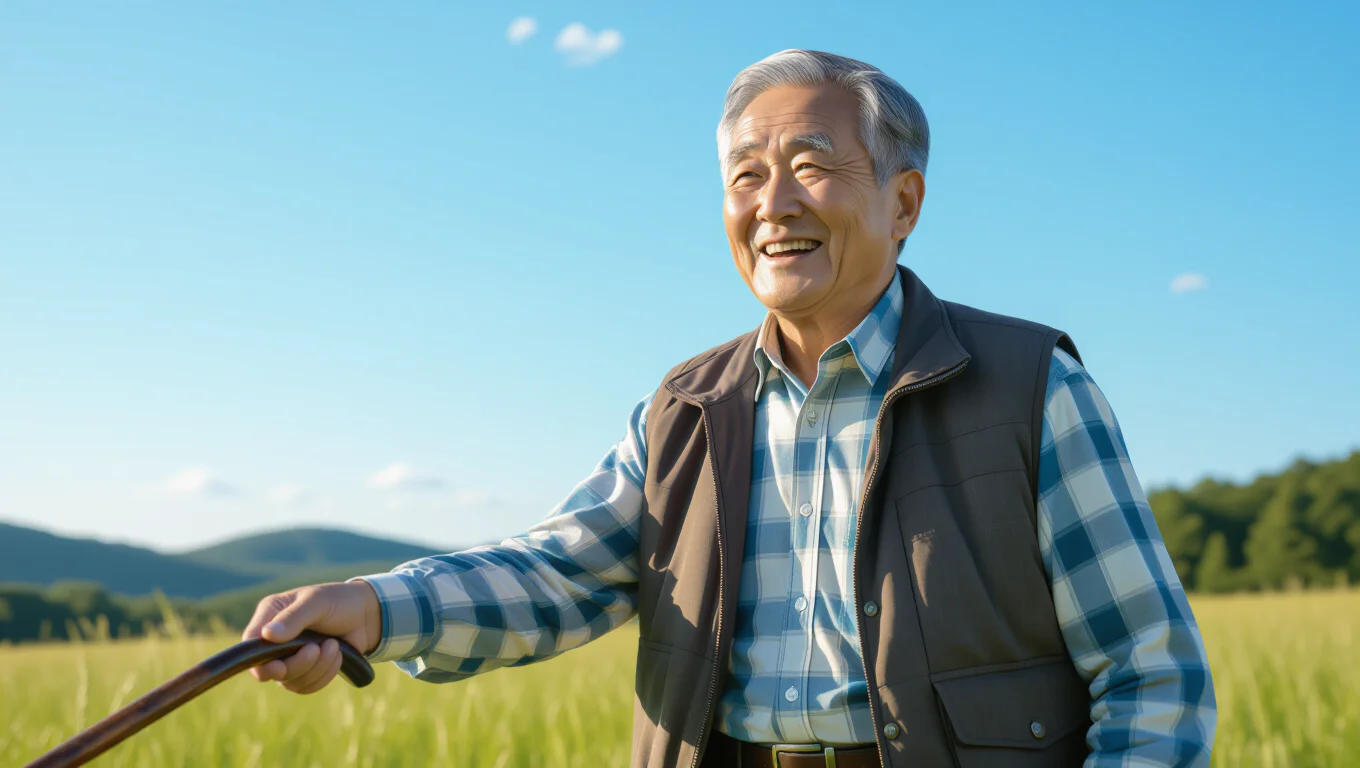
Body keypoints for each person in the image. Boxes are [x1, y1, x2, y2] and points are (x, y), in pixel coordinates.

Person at [244, 49, 1216, 767]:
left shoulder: (1030, 385)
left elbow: (1152, 675)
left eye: (811, 163)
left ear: (903, 200)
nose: (771, 202)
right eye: (745, 174)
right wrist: (373, 609)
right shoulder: (681, 411)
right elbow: (557, 575)